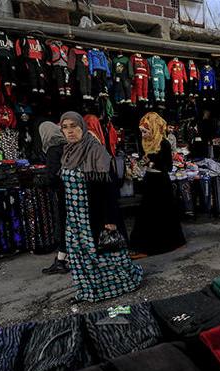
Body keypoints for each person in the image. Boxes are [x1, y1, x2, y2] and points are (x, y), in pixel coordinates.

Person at [58, 112, 142, 303]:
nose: (70, 131)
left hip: (94, 215)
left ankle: (121, 285)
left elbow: (109, 190)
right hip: (74, 217)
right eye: (65, 127)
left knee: (105, 255)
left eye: (74, 126)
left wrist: (110, 219)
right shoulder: (68, 152)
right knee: (80, 256)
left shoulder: (96, 152)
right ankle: (88, 291)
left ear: (83, 127)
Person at [131, 112, 186, 255]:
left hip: (160, 182)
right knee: (148, 212)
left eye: (146, 131)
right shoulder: (146, 143)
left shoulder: (164, 143)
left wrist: (151, 162)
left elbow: (168, 167)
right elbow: (146, 159)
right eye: (142, 132)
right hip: (149, 179)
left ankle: (157, 245)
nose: (143, 135)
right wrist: (140, 163)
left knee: (159, 213)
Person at [39, 121, 69, 275]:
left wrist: (42, 182)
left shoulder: (53, 149)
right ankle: (62, 259)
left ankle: (61, 261)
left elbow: (52, 176)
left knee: (64, 224)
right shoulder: (68, 146)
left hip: (62, 193)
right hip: (73, 192)